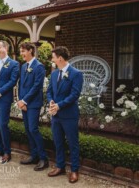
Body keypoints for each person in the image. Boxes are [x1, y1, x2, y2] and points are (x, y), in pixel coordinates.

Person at [46, 46, 83, 183]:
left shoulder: (76, 74)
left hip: (69, 115)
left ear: (60, 58)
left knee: (73, 143)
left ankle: (74, 170)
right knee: (58, 142)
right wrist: (51, 102)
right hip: (56, 115)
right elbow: (49, 91)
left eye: (53, 57)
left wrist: (59, 105)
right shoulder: (54, 73)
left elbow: (75, 94)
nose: (52, 59)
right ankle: (60, 166)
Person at [17, 42, 49, 171]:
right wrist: (20, 101)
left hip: (33, 103)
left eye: (23, 51)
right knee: (28, 130)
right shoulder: (24, 66)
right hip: (24, 103)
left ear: (31, 51)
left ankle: (43, 158)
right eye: (21, 51)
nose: (21, 53)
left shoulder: (39, 67)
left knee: (33, 129)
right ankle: (34, 156)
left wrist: (25, 100)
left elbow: (37, 86)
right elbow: (21, 85)